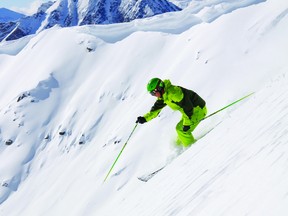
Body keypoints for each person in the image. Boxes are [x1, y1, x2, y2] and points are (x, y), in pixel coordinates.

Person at [136, 78, 207, 147]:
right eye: (152, 94)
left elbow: (188, 107)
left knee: (181, 130)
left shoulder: (174, 94)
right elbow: (155, 110)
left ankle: (192, 149)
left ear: (159, 88)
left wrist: (187, 124)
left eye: (153, 93)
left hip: (197, 110)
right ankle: (179, 150)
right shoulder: (164, 95)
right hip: (190, 112)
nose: (154, 95)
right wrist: (144, 118)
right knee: (180, 137)